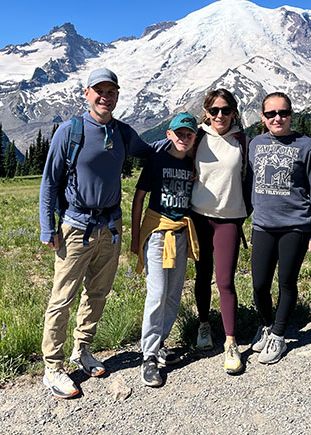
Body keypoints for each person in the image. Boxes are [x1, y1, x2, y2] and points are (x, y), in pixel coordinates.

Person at [38, 67, 152, 399]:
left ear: (117, 96)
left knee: (98, 294)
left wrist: (184, 135)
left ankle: (82, 350)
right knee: (62, 299)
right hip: (75, 226)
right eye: (99, 91)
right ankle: (53, 367)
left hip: (111, 227)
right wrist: (48, 227)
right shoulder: (69, 132)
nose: (105, 97)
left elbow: (150, 151)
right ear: (87, 94)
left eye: (111, 92)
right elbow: (49, 182)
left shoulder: (122, 132)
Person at [247, 92, 311, 365]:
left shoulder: (308, 146)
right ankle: (266, 325)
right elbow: (248, 183)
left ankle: (279, 335)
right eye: (271, 114)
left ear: (291, 115)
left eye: (282, 113)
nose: (277, 118)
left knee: (286, 282)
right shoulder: (254, 144)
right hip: (262, 226)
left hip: (296, 226)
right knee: (259, 285)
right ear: (263, 117)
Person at [130, 113, 200, 388]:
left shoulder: (194, 164)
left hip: (182, 232)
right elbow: (139, 197)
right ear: (169, 134)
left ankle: (159, 343)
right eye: (179, 133)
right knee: (157, 293)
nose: (184, 138)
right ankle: (147, 356)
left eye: (189, 134)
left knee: (173, 294)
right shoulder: (157, 160)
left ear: (195, 138)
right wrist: (136, 237)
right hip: (158, 233)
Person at [190, 88, 248, 375]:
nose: (220, 116)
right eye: (214, 111)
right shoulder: (197, 137)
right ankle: (203, 323)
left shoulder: (241, 140)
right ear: (207, 112)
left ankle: (230, 341)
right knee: (202, 275)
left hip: (229, 219)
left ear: (234, 112)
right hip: (199, 217)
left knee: (225, 281)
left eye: (226, 110)